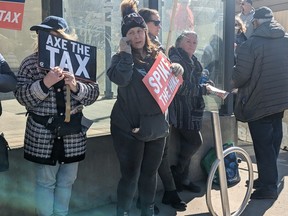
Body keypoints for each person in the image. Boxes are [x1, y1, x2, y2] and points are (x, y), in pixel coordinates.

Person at [14, 16, 99, 215]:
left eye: (50, 35)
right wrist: (45, 83)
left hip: (72, 135)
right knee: (45, 182)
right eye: (42, 34)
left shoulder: (80, 61)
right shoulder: (30, 63)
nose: (44, 38)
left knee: (67, 181)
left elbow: (93, 94)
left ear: (63, 37)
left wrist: (76, 86)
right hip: (43, 134)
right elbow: (21, 97)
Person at [107, 1, 183, 215]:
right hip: (129, 128)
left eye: (140, 30)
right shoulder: (119, 58)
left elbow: (170, 80)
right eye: (131, 33)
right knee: (130, 175)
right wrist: (125, 55)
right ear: (125, 37)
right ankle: (122, 211)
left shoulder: (157, 54)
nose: (137, 36)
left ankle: (147, 210)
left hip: (157, 127)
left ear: (145, 32)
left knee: (150, 174)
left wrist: (177, 68)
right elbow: (121, 80)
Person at [232, 6, 288, 199]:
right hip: (280, 100)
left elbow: (240, 76)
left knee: (263, 146)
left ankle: (268, 187)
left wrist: (228, 80)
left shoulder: (251, 44)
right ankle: (266, 178)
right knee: (273, 141)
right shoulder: (286, 40)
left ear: (255, 22)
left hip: (259, 101)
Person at [138, 8, 186, 212]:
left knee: (161, 156)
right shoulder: (132, 49)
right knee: (144, 160)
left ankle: (170, 191)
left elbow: (170, 78)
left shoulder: (159, 48)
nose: (159, 26)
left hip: (162, 112)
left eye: (159, 22)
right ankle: (146, 199)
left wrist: (176, 68)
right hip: (141, 116)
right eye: (156, 23)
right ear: (143, 24)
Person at [168, 30, 208, 193]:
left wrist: (207, 84)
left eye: (194, 42)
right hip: (182, 110)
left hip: (194, 110)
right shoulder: (176, 59)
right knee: (195, 142)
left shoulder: (193, 59)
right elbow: (179, 87)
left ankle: (182, 180)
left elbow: (198, 80)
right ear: (179, 43)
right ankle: (177, 173)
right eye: (188, 41)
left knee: (187, 145)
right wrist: (202, 89)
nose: (192, 45)